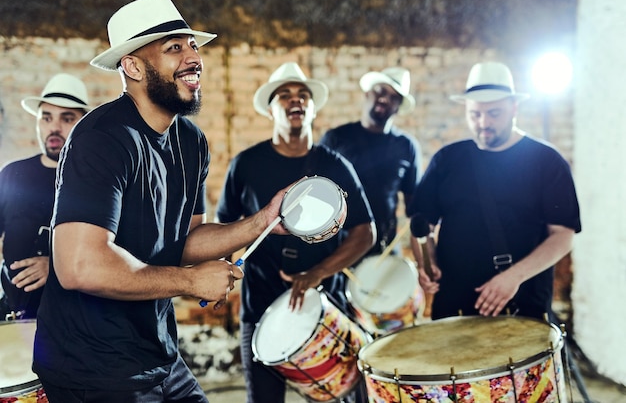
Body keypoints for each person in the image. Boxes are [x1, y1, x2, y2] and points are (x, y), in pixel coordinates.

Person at [33, 0, 290, 403]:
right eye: (174, 47)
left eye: (193, 45)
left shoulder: (191, 141)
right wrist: (189, 281)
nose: (193, 57)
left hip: (161, 356)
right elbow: (80, 267)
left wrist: (263, 222)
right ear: (133, 66)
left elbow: (184, 241)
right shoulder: (102, 139)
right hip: (94, 370)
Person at [215, 62, 375, 403]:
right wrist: (224, 270)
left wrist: (318, 273)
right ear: (270, 109)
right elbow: (224, 227)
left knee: (350, 396)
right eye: (284, 95)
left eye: (303, 94)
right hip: (260, 303)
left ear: (313, 107)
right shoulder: (246, 164)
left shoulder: (335, 165)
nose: (295, 100)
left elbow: (366, 231)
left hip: (324, 302)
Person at [409, 61, 581, 321]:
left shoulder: (547, 161)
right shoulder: (446, 159)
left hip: (523, 305)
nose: (483, 123)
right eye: (475, 114)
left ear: (514, 107)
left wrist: (513, 277)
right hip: (454, 309)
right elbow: (422, 226)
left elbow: (563, 236)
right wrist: (426, 262)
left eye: (494, 113)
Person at [0, 73, 91, 319]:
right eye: (46, 117)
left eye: (67, 118)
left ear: (82, 123)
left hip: (73, 323)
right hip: (13, 318)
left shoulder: (96, 180)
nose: (54, 128)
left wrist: (56, 267)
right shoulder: (12, 174)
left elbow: (119, 249)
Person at [320, 67, 421, 257]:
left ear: (398, 107)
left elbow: (414, 207)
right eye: (381, 91)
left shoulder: (406, 146)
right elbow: (317, 195)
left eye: (394, 97)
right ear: (367, 93)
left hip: (384, 253)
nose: (385, 99)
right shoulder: (335, 138)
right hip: (338, 252)